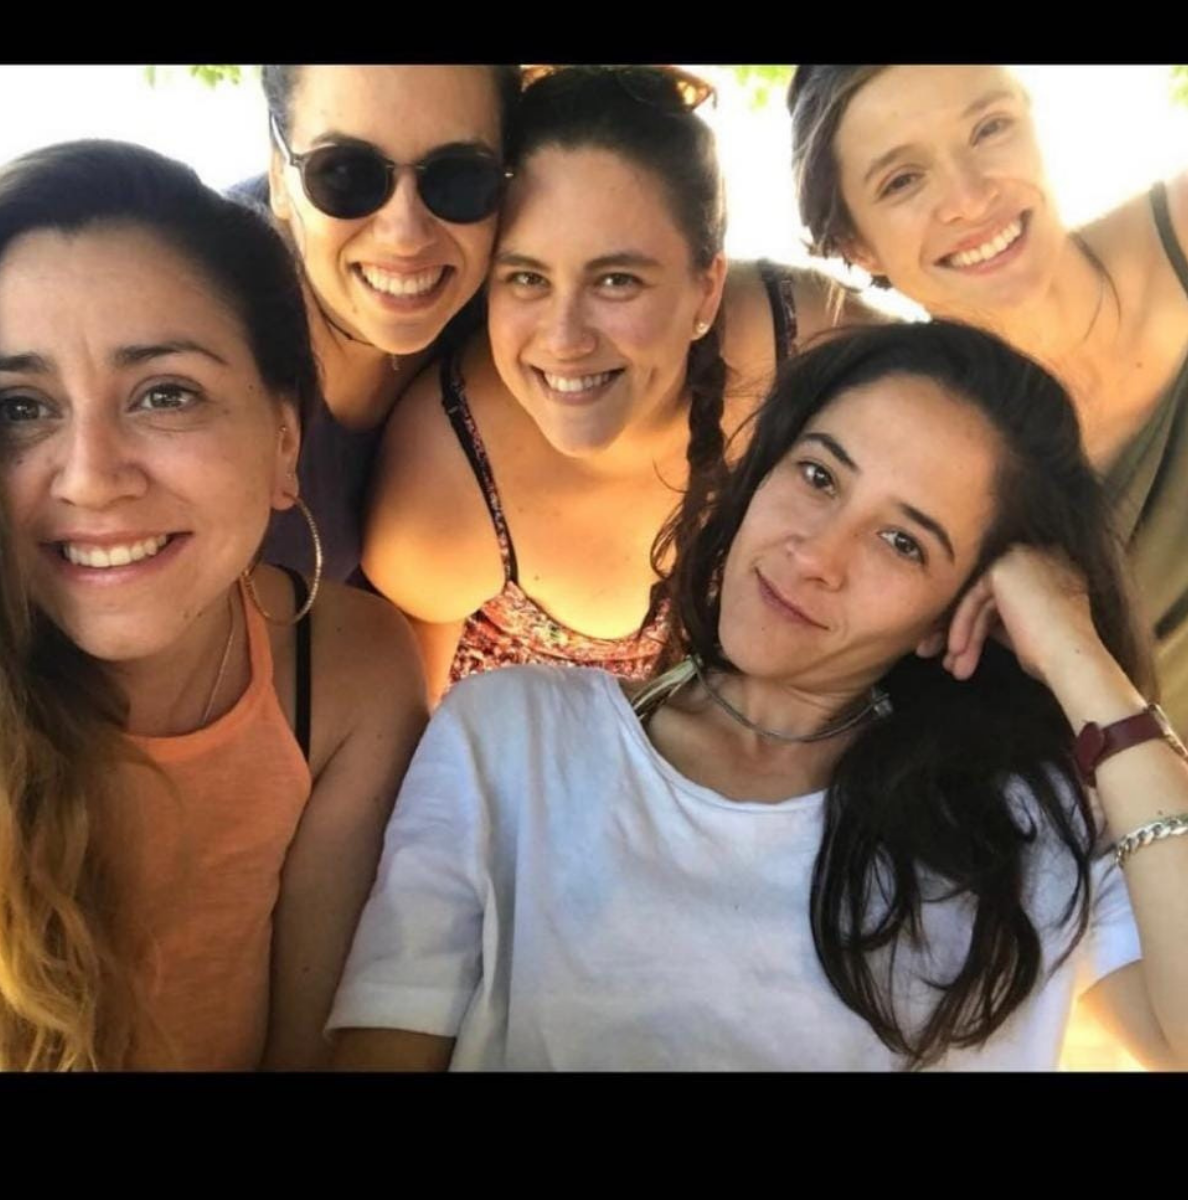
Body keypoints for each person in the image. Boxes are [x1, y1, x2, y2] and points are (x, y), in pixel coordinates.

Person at [329, 322, 1188, 1071]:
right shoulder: (511, 737)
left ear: (958, 614)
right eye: (818, 476)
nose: (817, 555)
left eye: (902, 542)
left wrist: (1080, 659)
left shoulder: (1031, 827)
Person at [0, 140, 427, 1070]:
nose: (91, 477)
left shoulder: (347, 675)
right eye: (20, 408)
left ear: (284, 442)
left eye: (165, 394)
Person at [364, 65, 881, 704]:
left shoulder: (807, 341)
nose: (564, 339)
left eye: (616, 281)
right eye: (527, 278)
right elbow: (415, 742)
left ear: (707, 289)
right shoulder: (445, 483)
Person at [787, 64, 1188, 734]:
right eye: (902, 180)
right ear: (856, 244)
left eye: (989, 128)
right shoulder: (907, 474)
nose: (971, 199)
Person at [246, 65, 520, 584]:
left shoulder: (522, 308)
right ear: (279, 174)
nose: (405, 234)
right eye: (345, 173)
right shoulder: (195, 323)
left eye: (459, 177)